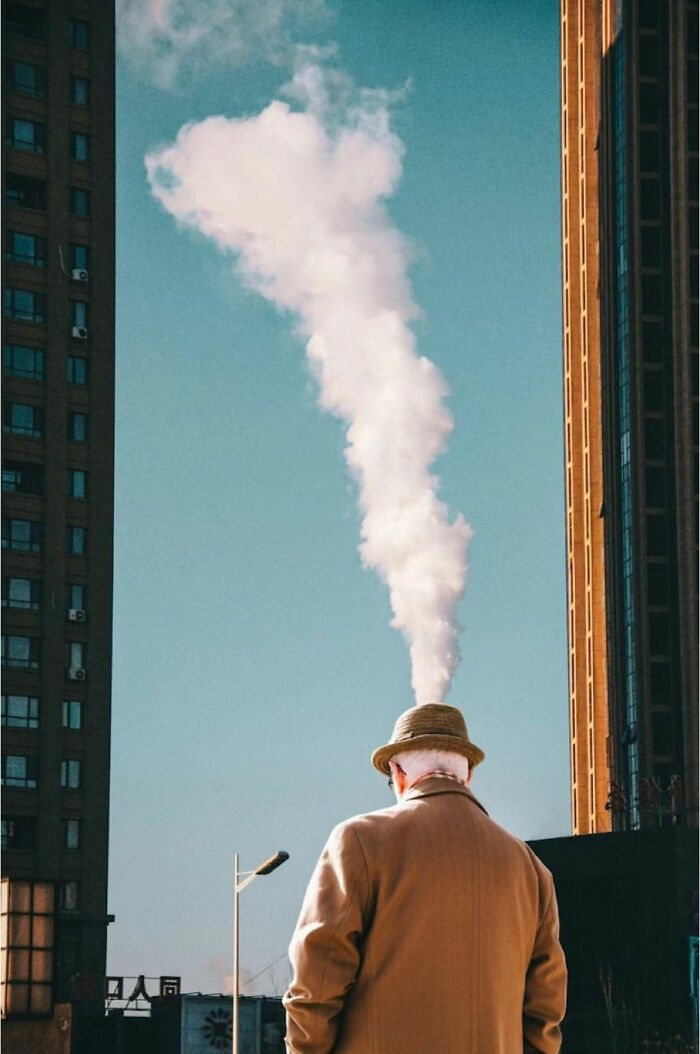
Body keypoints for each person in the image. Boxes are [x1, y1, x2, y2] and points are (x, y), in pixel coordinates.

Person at [283, 703, 567, 1054]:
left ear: (398, 773)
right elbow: (546, 1009)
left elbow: (318, 979)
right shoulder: (531, 869)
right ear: (469, 775)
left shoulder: (359, 840)